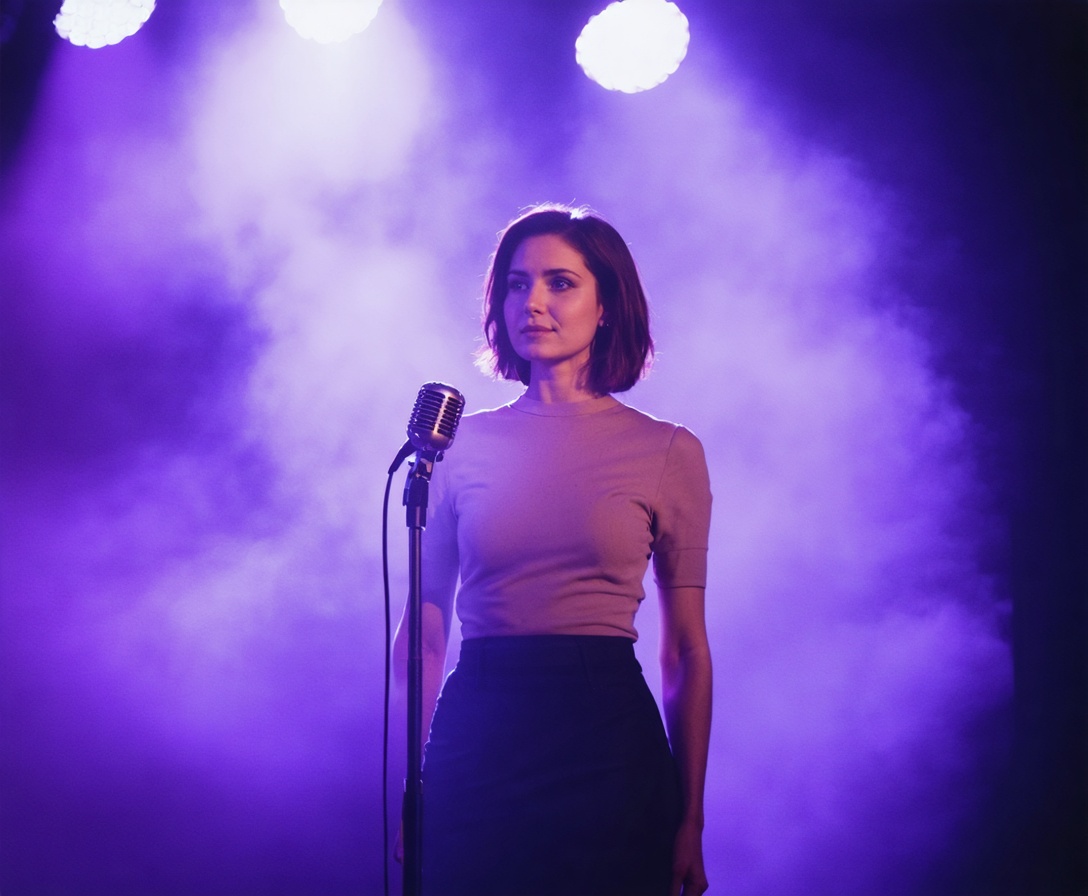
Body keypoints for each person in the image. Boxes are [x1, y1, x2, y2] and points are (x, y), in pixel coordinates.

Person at [394, 203, 712, 896]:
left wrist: (691, 817)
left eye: (560, 283)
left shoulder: (668, 451)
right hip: (481, 733)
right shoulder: (454, 448)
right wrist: (409, 789)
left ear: (607, 304)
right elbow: (423, 636)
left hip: (608, 740)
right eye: (516, 283)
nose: (532, 301)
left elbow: (685, 650)